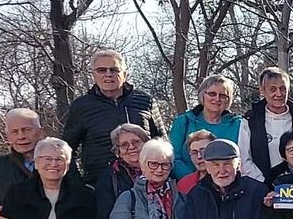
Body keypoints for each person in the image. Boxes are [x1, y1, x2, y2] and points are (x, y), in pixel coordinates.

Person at [62, 48, 163, 184]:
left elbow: (161, 141)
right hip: (99, 185)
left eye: (114, 70)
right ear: (94, 75)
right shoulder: (81, 106)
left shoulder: (145, 101)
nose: (108, 74)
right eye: (102, 70)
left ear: (125, 74)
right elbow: (66, 149)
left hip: (146, 182)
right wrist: (77, 184)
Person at [239, 66, 293, 183]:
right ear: (262, 91)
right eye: (273, 89)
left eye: (283, 88)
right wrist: (264, 184)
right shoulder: (250, 119)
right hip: (260, 185)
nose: (279, 94)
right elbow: (244, 159)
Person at [169, 74, 243, 179]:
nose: (217, 99)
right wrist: (194, 180)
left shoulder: (238, 124)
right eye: (212, 94)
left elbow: (244, 159)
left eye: (222, 95)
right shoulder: (184, 122)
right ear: (203, 95)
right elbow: (173, 158)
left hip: (228, 184)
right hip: (190, 186)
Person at [177, 130, 215, 195]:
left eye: (203, 151)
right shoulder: (184, 184)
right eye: (194, 153)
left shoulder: (225, 179)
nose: (199, 156)